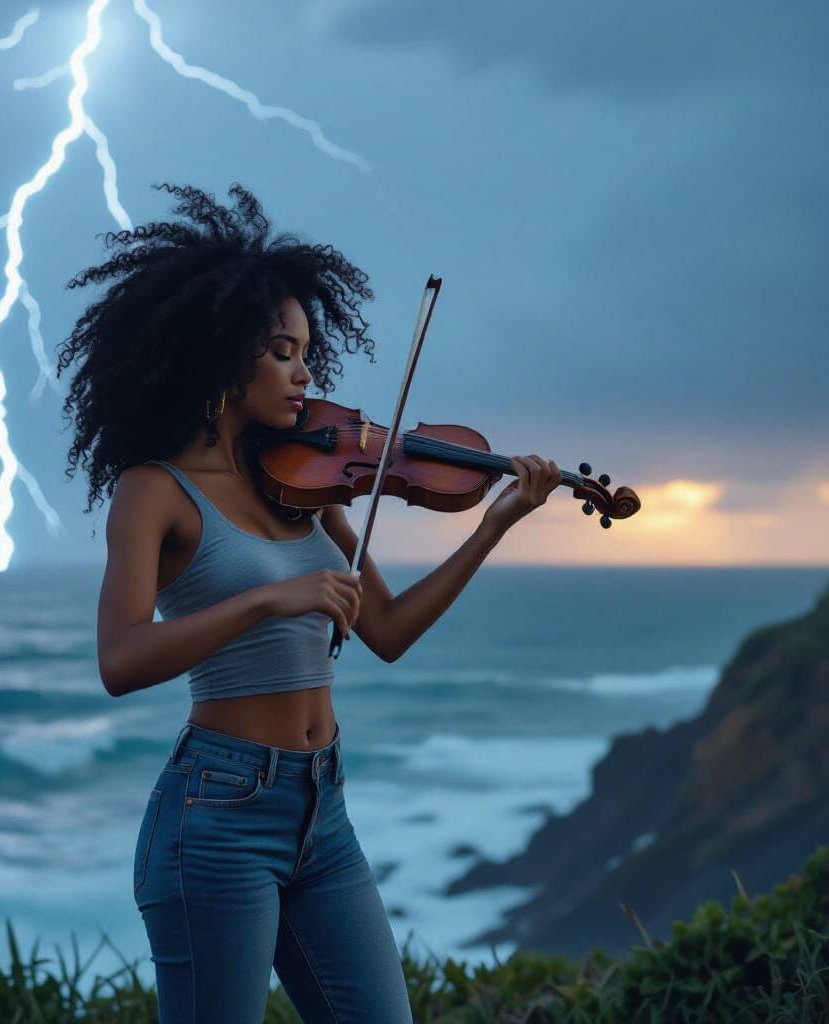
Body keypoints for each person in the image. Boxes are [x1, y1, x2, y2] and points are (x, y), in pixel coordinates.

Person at [57, 182, 560, 1023]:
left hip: (322, 808)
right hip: (215, 818)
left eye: (306, 350)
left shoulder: (302, 482)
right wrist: (272, 601)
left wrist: (492, 529)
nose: (306, 372)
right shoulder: (155, 492)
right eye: (283, 351)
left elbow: (389, 632)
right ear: (223, 356)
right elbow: (121, 659)